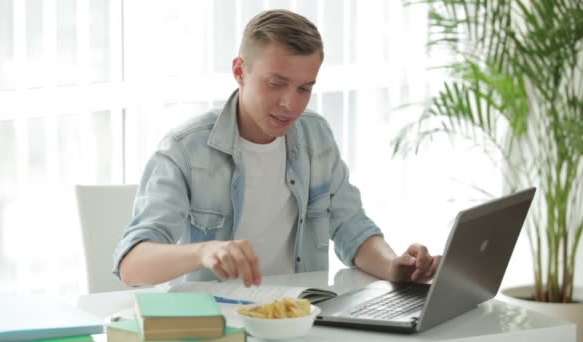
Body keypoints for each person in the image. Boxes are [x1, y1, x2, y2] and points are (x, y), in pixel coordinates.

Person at [113, 9, 440, 288]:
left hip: (303, 319)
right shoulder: (186, 149)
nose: (289, 104)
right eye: (276, 84)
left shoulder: (316, 135)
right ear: (240, 71)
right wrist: (203, 251)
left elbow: (350, 227)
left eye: (304, 89)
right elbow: (131, 265)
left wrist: (393, 266)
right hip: (219, 325)